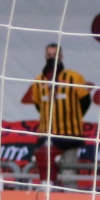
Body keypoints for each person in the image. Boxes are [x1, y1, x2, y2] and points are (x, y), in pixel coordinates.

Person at [20, 43, 90, 187]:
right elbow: (39, 105)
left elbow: (86, 101)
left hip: (70, 135)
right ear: (45, 56)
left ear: (61, 56)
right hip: (47, 135)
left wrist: (73, 117)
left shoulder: (74, 77)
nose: (52, 58)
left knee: (69, 174)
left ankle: (70, 199)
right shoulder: (39, 80)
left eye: (55, 55)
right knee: (47, 177)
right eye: (49, 55)